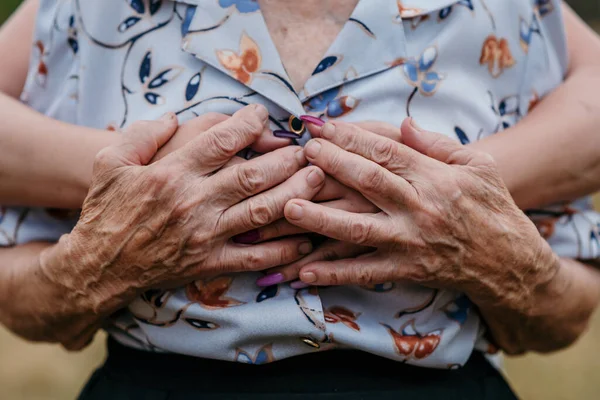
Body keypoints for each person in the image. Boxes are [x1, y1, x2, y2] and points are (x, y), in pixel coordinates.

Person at [0, 0, 599, 398]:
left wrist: (487, 244)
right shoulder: (88, 12)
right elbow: (24, 298)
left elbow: (563, 313)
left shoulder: (511, 15)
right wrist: (112, 235)